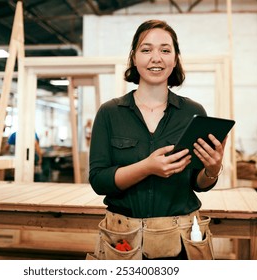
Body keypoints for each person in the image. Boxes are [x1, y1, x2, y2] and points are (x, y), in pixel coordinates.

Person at [88, 19, 228, 260]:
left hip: (181, 239)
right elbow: (99, 181)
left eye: (165, 50)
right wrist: (147, 167)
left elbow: (198, 183)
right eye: (146, 49)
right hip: (123, 239)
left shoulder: (193, 113)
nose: (156, 57)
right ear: (134, 57)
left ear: (175, 59)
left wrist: (212, 170)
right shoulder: (109, 112)